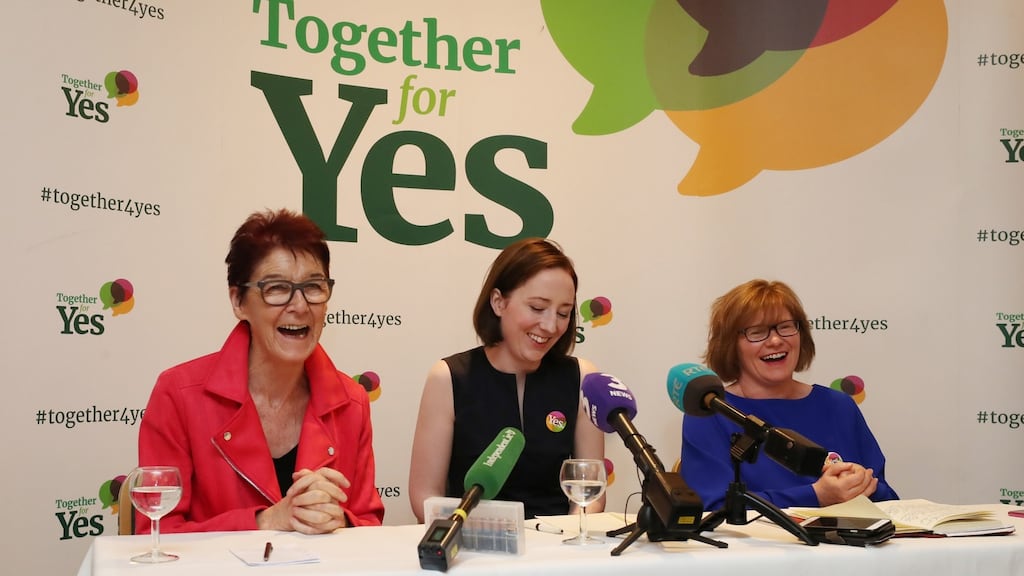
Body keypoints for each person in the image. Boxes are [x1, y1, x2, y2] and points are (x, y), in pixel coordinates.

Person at [136, 209, 385, 533]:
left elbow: (368, 522)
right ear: (239, 301)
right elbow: (155, 532)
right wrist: (264, 521)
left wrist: (342, 523)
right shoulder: (179, 395)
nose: (299, 305)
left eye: (313, 287)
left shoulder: (351, 402)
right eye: (277, 288)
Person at [408, 238, 605, 522]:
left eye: (563, 313)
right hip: (475, 547)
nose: (551, 326)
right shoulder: (449, 377)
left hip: (558, 552)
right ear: (499, 302)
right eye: (537, 308)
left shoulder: (582, 377)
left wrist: (569, 537)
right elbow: (426, 496)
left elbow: (591, 493)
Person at [680, 279, 898, 511]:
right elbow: (711, 508)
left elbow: (887, 499)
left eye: (785, 327)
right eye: (757, 332)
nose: (775, 340)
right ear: (730, 346)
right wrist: (816, 496)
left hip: (846, 546)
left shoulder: (839, 406)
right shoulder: (710, 412)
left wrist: (863, 484)